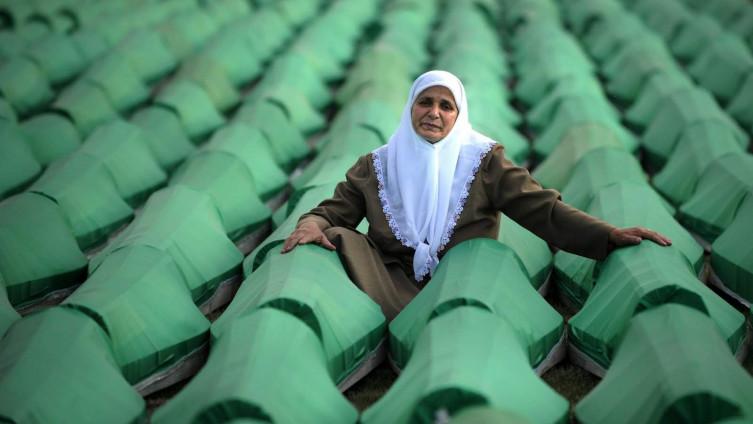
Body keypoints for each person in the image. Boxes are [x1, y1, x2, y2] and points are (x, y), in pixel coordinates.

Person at [281, 70, 671, 320]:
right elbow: (331, 213)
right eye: (425, 102)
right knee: (334, 237)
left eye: (445, 106)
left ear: (458, 115)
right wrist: (310, 225)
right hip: (390, 276)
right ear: (410, 108)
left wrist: (606, 235)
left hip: (462, 276)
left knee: (479, 270)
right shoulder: (377, 164)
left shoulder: (483, 161)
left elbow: (542, 210)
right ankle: (386, 315)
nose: (434, 113)